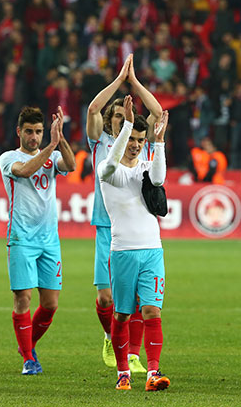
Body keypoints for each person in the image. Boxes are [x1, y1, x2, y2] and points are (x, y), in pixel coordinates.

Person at [86, 54, 162, 374]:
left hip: (139, 229)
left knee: (142, 302)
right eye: (116, 116)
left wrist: (136, 84)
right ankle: (110, 338)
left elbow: (158, 114)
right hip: (107, 226)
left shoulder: (138, 142)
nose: (120, 120)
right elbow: (92, 110)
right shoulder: (100, 141)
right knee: (108, 300)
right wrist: (118, 81)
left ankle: (132, 354)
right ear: (111, 119)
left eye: (124, 115)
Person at [98, 96, 171, 391]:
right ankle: (123, 372)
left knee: (152, 311)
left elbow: (159, 178)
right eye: (132, 138)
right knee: (123, 314)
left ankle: (153, 372)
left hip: (152, 250)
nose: (136, 144)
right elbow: (110, 166)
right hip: (123, 252)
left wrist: (159, 142)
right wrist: (127, 125)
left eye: (141, 140)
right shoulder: (108, 169)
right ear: (121, 136)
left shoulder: (145, 168)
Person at [0, 106, 76, 375]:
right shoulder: (8, 157)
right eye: (29, 131)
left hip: (49, 240)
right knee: (23, 298)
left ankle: (26, 346)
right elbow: (23, 172)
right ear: (19, 131)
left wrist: (60, 138)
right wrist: (50, 146)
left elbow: (72, 165)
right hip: (21, 238)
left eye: (39, 132)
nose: (34, 136)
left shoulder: (52, 154)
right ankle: (29, 360)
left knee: (50, 304)